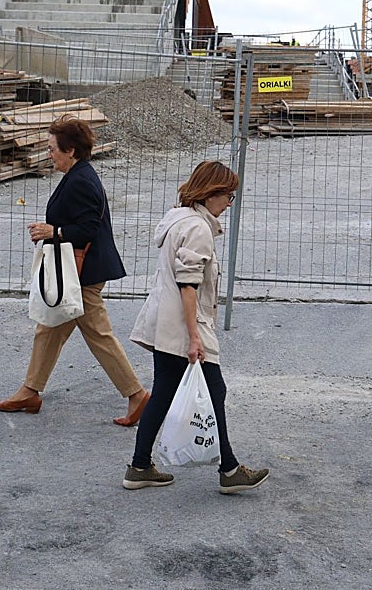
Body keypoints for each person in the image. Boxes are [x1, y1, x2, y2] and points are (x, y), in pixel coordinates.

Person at [123, 160, 269, 494]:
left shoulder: (178, 219)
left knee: (164, 393)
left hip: (165, 321)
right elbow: (188, 285)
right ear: (211, 193)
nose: (230, 203)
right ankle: (229, 469)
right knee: (215, 392)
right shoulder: (198, 229)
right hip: (184, 325)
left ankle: (139, 466)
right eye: (228, 196)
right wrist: (194, 337)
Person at [0, 115, 150, 425]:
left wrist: (54, 231)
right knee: (48, 327)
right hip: (76, 271)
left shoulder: (80, 181)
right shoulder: (78, 175)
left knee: (98, 335)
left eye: (53, 148)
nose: (49, 154)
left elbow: (89, 228)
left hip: (83, 274)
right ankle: (29, 391)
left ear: (71, 150)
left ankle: (137, 394)